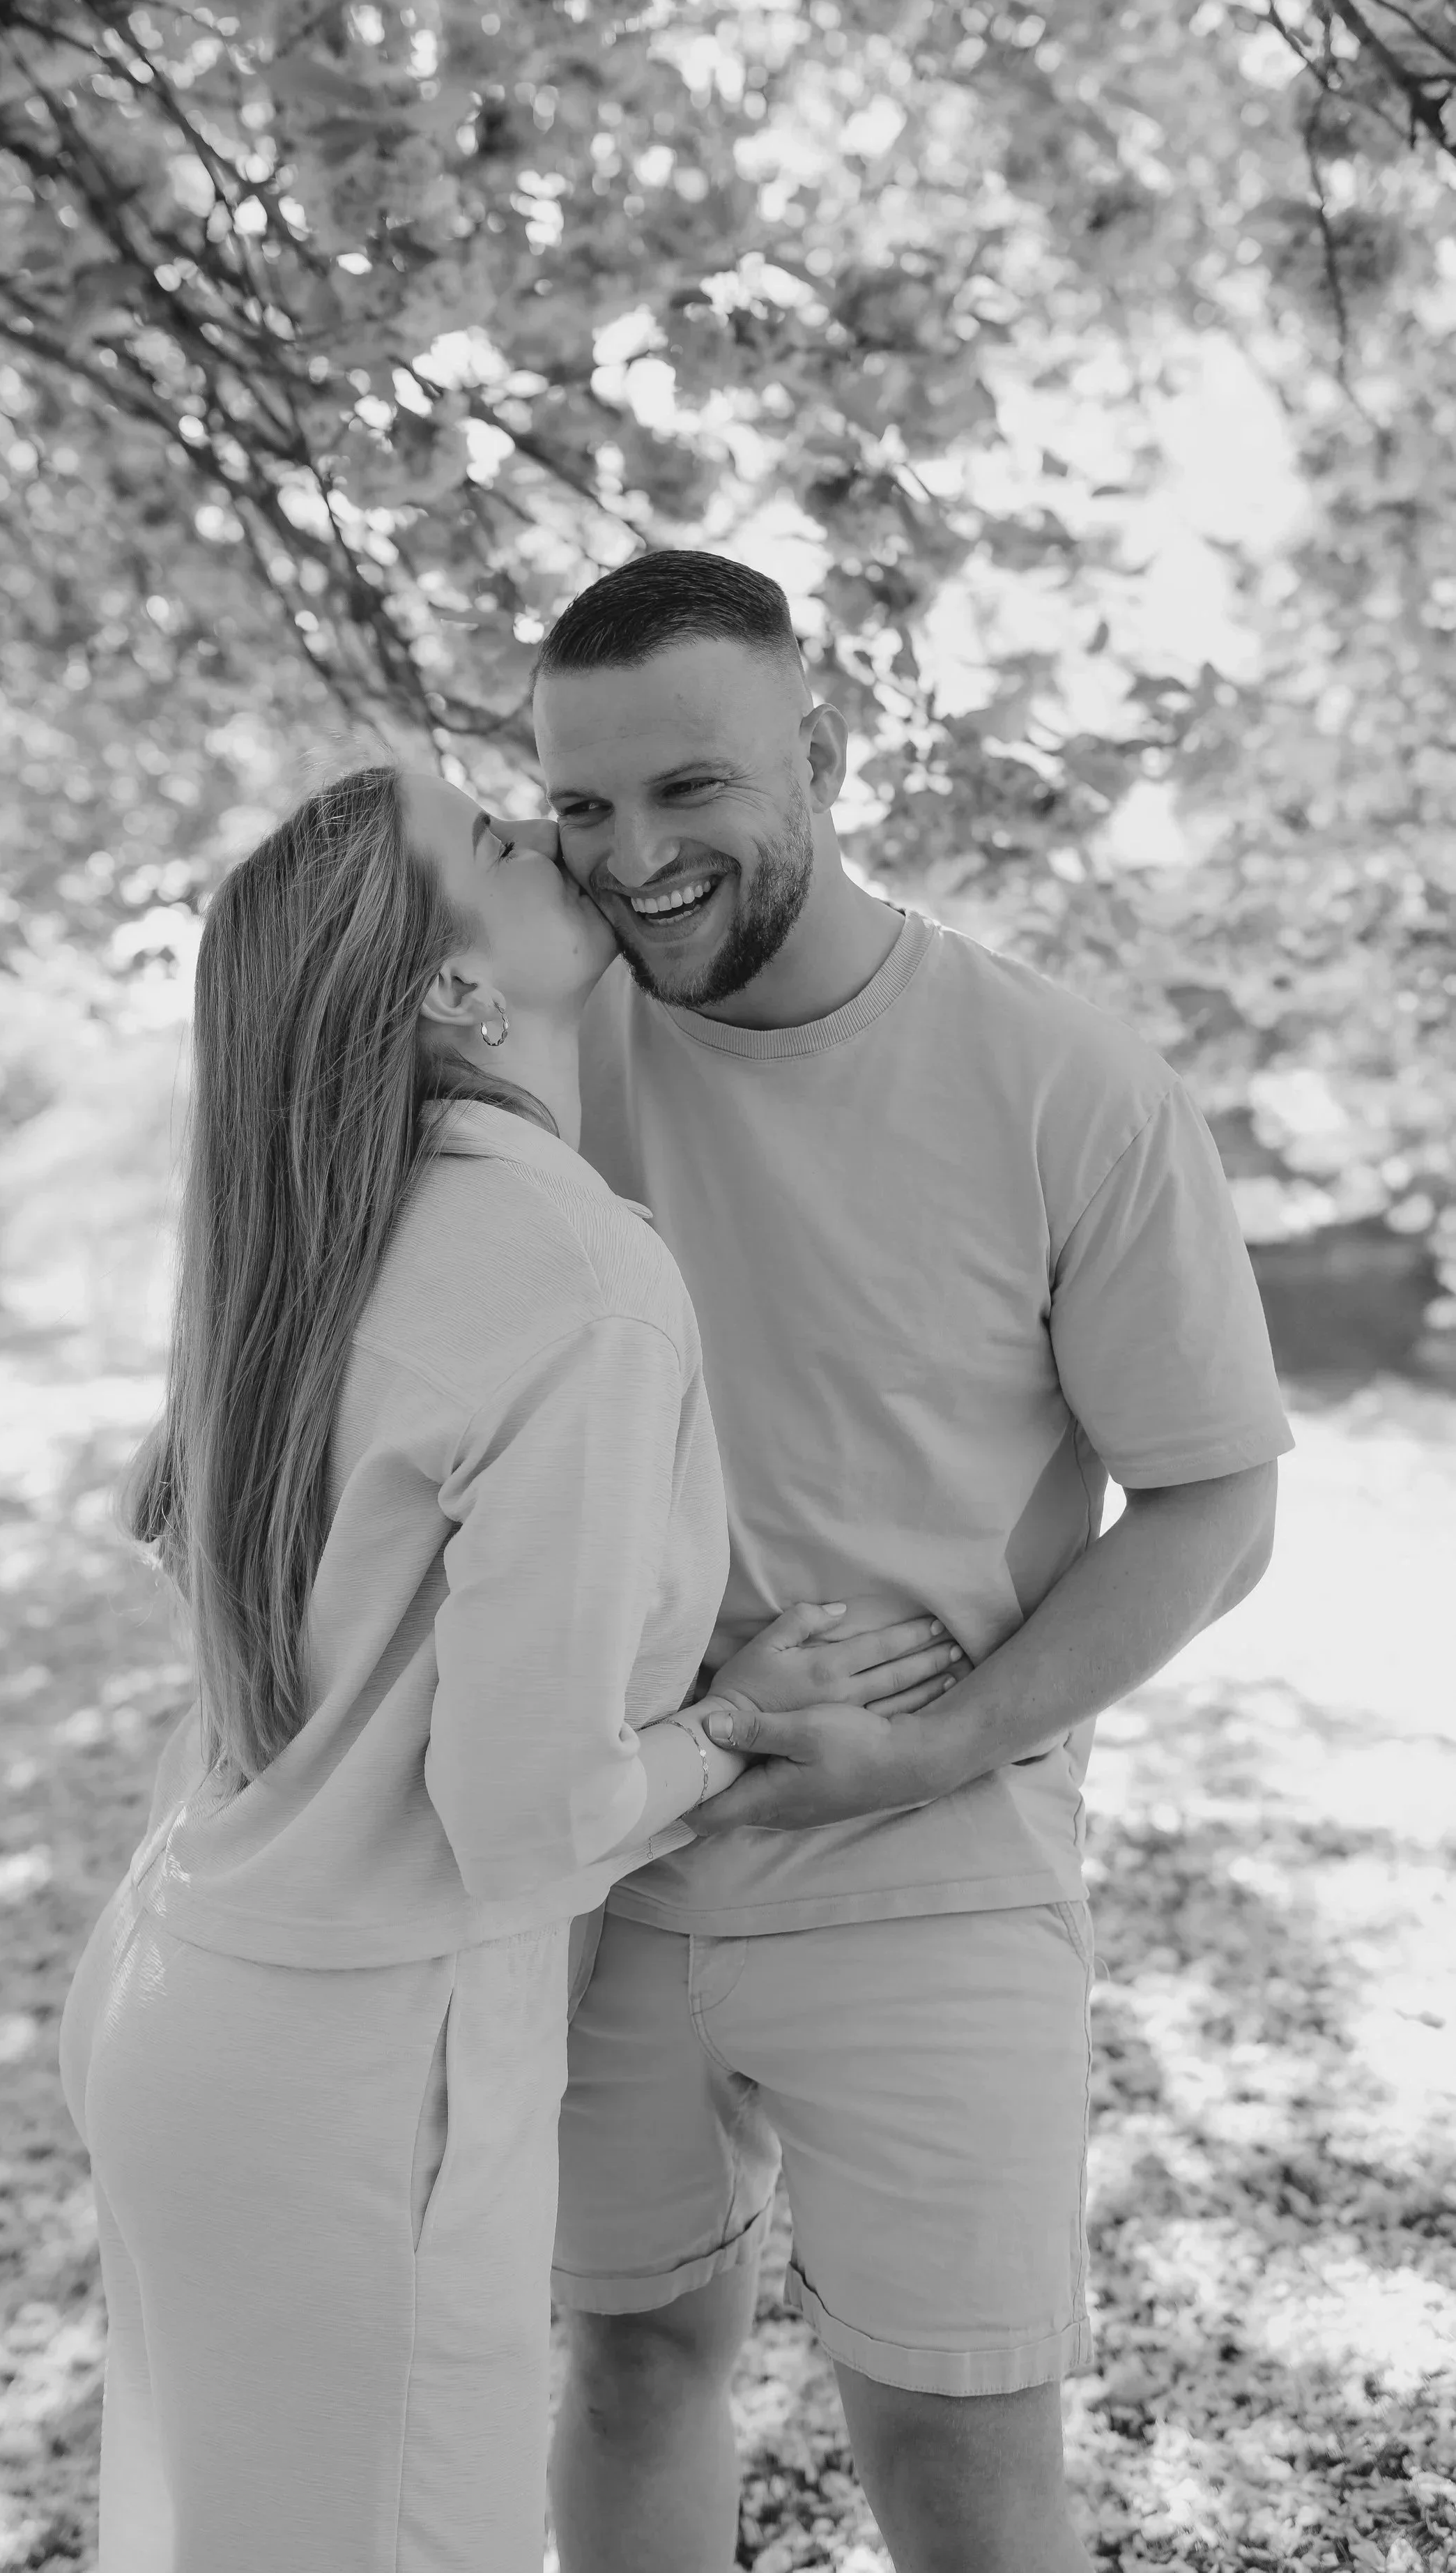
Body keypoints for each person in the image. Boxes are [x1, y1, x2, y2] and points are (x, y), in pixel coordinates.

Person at [56, 761, 958, 2573]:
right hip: (347, 2087)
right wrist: (728, 1720)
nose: (555, 839)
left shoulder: (310, 1228)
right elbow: (522, 1811)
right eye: (497, 842)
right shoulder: (564, 1272)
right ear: (455, 990)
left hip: (179, 2008)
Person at [533, 552, 1294, 2573]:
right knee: (623, 2366)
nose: (632, 856)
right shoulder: (529, 1051)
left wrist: (940, 1738)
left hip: (927, 1869)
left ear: (830, 752)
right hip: (600, 1865)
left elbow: (1215, 1500)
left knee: (957, 2465)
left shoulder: (1067, 1084)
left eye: (690, 789)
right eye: (580, 809)